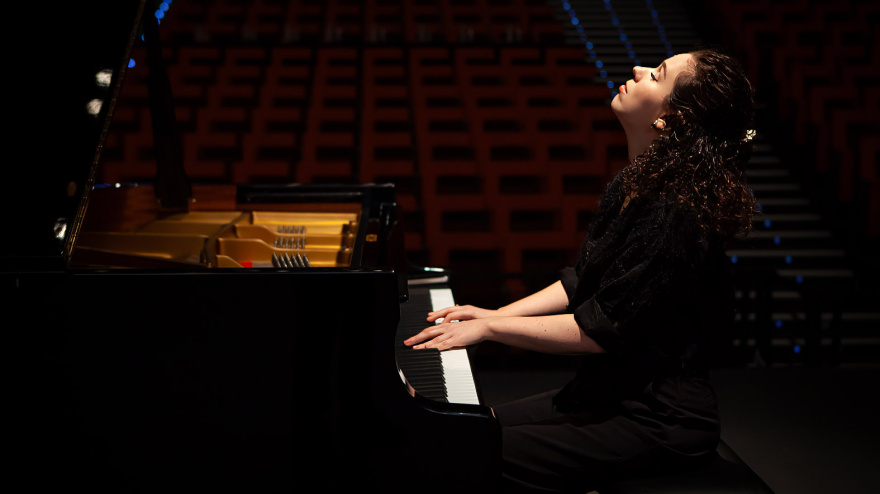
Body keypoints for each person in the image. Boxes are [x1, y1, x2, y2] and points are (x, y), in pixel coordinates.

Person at [404, 47, 758, 493]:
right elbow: (581, 282)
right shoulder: (635, 183)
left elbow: (601, 329)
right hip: (603, 392)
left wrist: (491, 330)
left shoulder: (676, 212)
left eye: (657, 74)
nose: (638, 70)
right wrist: (494, 313)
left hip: (656, 419)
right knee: (454, 428)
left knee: (458, 453)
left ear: (670, 119)